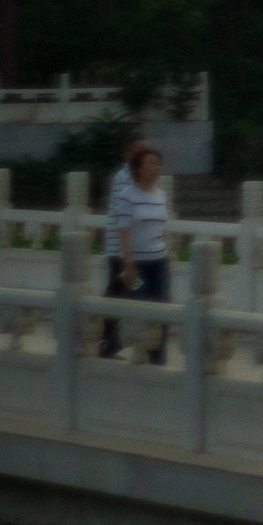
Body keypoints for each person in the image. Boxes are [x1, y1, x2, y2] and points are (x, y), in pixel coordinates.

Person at [98, 139, 170, 362]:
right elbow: (124, 229)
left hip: (160, 263)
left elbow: (162, 226)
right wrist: (128, 264)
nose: (155, 167)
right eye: (150, 163)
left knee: (162, 308)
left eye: (158, 164)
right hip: (135, 265)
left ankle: (157, 358)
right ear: (138, 168)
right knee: (139, 307)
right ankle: (110, 345)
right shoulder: (127, 193)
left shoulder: (161, 195)